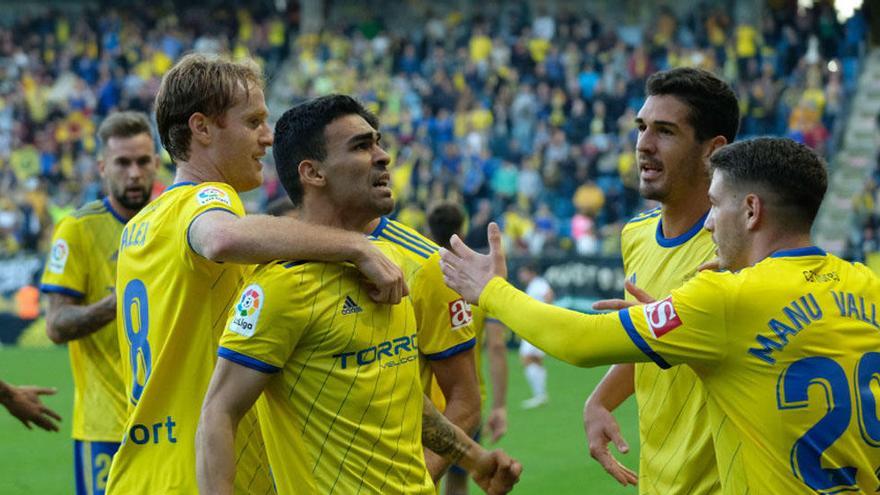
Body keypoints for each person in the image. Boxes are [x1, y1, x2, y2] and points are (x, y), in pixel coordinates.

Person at [441, 137, 880, 494]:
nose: (709, 222)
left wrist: (492, 292)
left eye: (716, 205)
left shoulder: (726, 298)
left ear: (750, 211)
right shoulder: (867, 286)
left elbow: (578, 339)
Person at [106, 55, 407, 494]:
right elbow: (222, 238)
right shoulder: (208, 198)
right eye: (253, 122)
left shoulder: (141, 225)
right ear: (202, 129)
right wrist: (356, 246)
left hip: (142, 472)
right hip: (196, 477)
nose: (267, 138)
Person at [196, 94, 520, 494]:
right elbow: (218, 413)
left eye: (378, 142)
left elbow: (402, 396)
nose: (383, 157)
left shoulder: (394, 266)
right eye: (361, 146)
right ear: (313, 173)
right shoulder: (282, 287)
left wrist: (474, 457)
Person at [583, 66, 739, 492]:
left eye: (665, 132)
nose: (644, 145)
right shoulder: (635, 235)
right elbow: (649, 342)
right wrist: (600, 400)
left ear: (713, 150)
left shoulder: (742, 250)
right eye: (641, 128)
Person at [39, 111, 159, 495]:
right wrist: (118, 303)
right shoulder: (78, 228)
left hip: (172, 423)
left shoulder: (175, 224)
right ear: (103, 167)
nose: (135, 173)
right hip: (106, 428)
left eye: (143, 161)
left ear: (157, 162)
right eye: (123, 163)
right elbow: (56, 326)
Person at [426, 201, 510, 495]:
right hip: (465, 402)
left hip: (422, 404)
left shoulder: (415, 272)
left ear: (428, 230)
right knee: (459, 482)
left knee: (419, 477)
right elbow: (497, 347)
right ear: (461, 230)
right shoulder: (477, 279)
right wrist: (499, 405)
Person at [516, 263, 553, 409]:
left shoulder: (539, 283)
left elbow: (549, 295)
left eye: (523, 272)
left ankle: (540, 395)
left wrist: (545, 315)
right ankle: (541, 394)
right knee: (536, 360)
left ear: (530, 272)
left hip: (536, 327)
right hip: (536, 326)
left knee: (526, 357)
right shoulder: (533, 285)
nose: (521, 275)